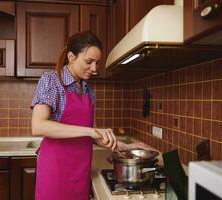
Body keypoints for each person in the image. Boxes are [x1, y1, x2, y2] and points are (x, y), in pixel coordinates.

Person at [31, 30, 151, 200]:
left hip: (80, 169)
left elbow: (92, 135)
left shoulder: (87, 89)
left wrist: (125, 146)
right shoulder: (51, 80)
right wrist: (89, 131)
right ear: (71, 57)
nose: (94, 69)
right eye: (88, 61)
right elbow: (38, 125)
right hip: (55, 168)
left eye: (97, 62)